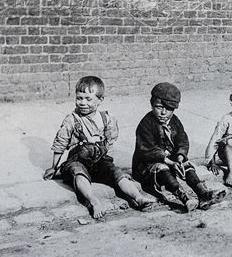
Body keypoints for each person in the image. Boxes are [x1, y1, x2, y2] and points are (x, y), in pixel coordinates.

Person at [43, 76, 153, 218]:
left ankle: (138, 197)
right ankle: (93, 201)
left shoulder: (107, 119)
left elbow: (110, 143)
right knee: (78, 172)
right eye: (79, 98)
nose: (82, 103)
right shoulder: (72, 119)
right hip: (78, 161)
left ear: (100, 100)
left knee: (117, 173)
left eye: (88, 99)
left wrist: (109, 163)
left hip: (99, 161)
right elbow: (60, 143)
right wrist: (54, 167)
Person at [132, 82, 226, 212]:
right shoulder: (146, 124)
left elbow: (182, 140)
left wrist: (180, 157)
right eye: (158, 107)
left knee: (186, 165)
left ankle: (203, 193)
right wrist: (170, 161)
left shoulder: (175, 121)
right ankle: (185, 198)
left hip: (171, 160)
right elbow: (147, 150)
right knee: (163, 168)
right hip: (147, 166)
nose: (163, 112)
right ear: (151, 104)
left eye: (168, 109)